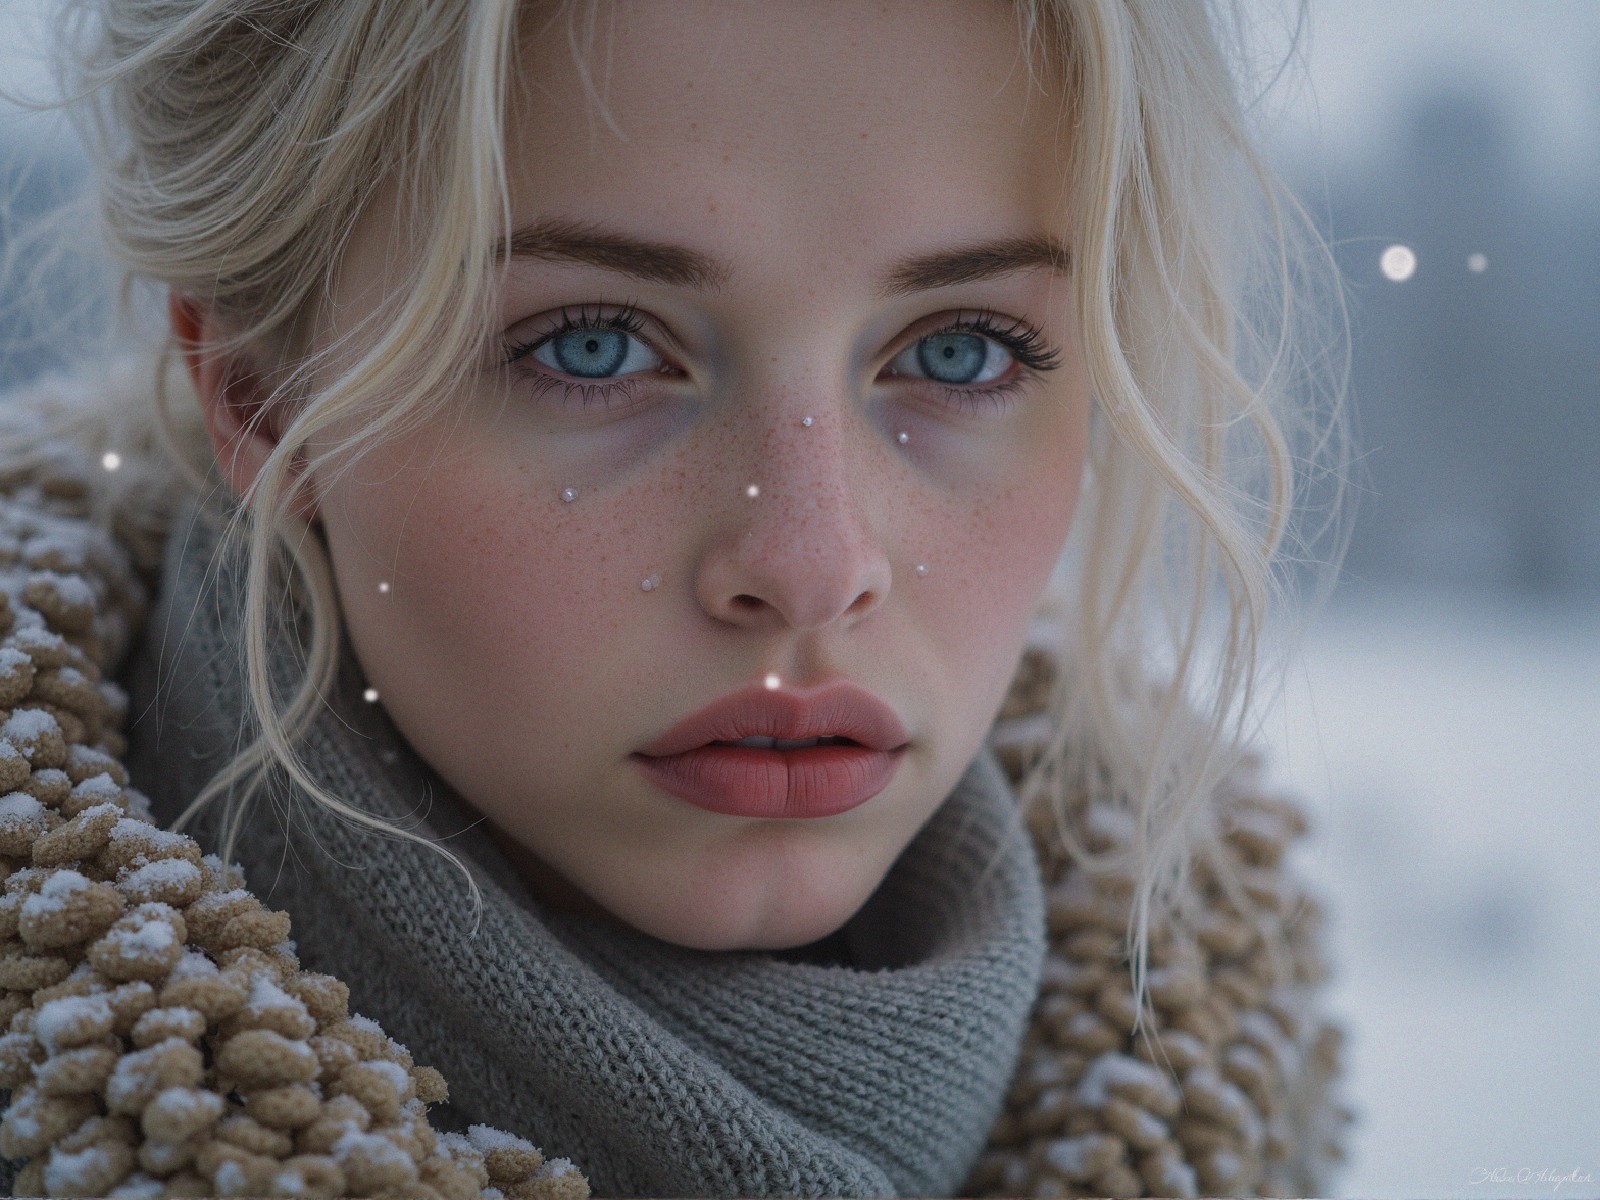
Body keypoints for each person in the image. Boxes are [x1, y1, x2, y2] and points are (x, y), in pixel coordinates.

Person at [0, 0, 1353, 1195]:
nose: (814, 566)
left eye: (959, 348)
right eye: (592, 347)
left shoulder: (1228, 1092)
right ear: (259, 396)